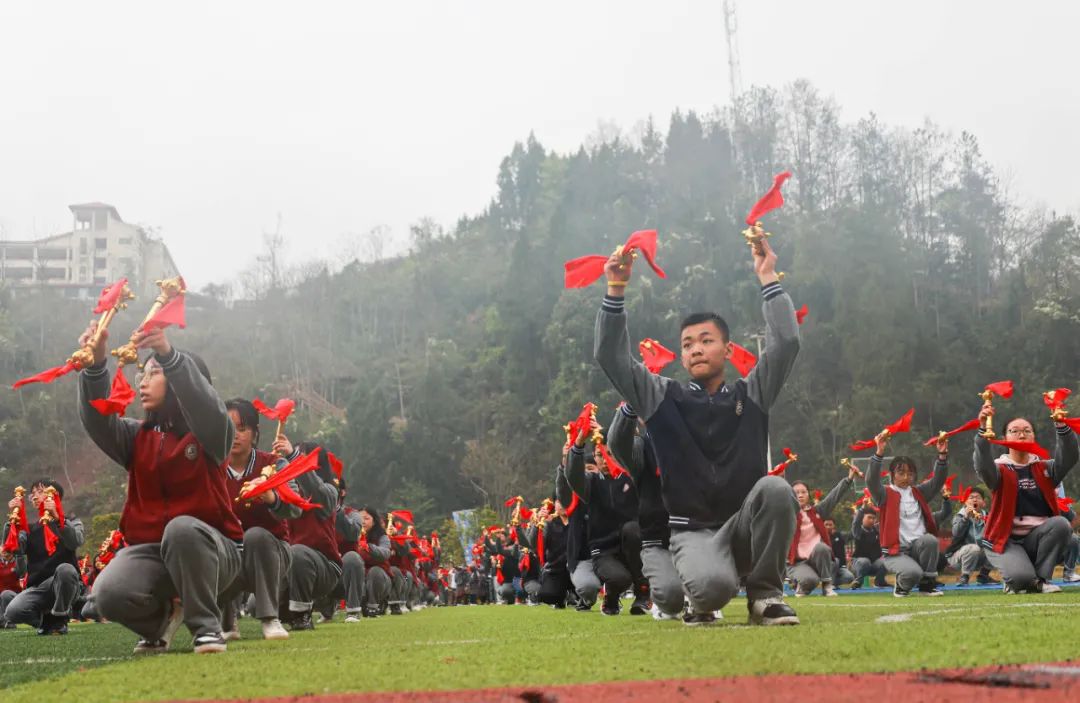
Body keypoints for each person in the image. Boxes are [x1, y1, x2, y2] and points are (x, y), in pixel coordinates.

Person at [594, 237, 800, 626]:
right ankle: (694, 590)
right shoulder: (661, 396)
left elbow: (787, 343)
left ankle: (766, 596)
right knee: (710, 592)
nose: (696, 350)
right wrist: (616, 289)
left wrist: (768, 276)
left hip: (743, 525)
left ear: (727, 349)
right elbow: (612, 357)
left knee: (776, 489)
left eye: (707, 341)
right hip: (692, 533)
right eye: (687, 344)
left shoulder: (752, 394)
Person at [79, 321, 242, 654]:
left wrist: (169, 356)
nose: (143, 382)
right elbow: (97, 420)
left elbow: (208, 408)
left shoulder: (211, 436)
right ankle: (161, 622)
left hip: (213, 551)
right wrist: (95, 367)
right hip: (154, 553)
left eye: (154, 374)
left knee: (182, 530)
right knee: (106, 594)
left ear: (180, 381)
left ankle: (206, 628)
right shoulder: (136, 437)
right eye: (143, 375)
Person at [973, 408, 1077, 594]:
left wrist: (1061, 425)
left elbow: (1069, 457)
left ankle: (1041, 580)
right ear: (1005, 437)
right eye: (1015, 431)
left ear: (1034, 437)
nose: (1022, 434)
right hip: (1005, 540)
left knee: (1061, 524)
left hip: (1037, 539)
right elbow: (983, 466)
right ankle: (1018, 579)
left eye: (1027, 431)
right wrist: (982, 429)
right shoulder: (999, 470)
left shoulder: (1045, 468)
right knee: (1021, 578)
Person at [221, 398, 297, 641]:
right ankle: (226, 619)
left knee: (254, 535)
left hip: (272, 553)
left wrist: (272, 496)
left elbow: (296, 509)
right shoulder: (212, 468)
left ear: (254, 434)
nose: (235, 436)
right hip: (231, 555)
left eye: (242, 429)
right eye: (229, 428)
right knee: (215, 541)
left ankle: (269, 618)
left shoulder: (273, 464)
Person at [607, 403, 685, 620]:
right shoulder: (641, 446)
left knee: (712, 592)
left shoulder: (690, 436)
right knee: (670, 598)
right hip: (658, 536)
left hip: (693, 530)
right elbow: (618, 445)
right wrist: (631, 404)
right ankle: (661, 594)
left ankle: (704, 591)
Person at [866, 432, 949, 597]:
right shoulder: (884, 494)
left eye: (910, 474)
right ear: (892, 475)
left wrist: (942, 455)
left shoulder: (918, 492)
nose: (906, 477)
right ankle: (902, 586)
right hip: (896, 552)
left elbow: (938, 481)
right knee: (913, 573)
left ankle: (927, 586)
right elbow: (871, 480)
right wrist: (879, 452)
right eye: (901, 473)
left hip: (918, 548)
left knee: (930, 540)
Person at [2, 480, 84, 634]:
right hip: (39, 587)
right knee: (12, 612)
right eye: (32, 493)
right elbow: (13, 549)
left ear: (54, 496)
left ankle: (60, 618)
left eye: (39, 491)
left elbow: (75, 542)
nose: (34, 496)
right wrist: (12, 521)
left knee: (66, 570)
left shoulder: (72, 521)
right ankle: (46, 622)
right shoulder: (30, 529)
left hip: (65, 582)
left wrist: (59, 520)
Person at [787, 468, 857, 597]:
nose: (800, 495)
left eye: (803, 492)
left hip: (817, 559)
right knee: (810, 581)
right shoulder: (786, 515)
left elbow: (833, 498)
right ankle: (802, 585)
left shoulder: (817, 511)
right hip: (797, 562)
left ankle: (827, 586)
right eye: (796, 493)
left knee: (821, 547)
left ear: (809, 495)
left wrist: (848, 479)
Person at [945, 486, 994, 586]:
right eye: (971, 497)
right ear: (966, 502)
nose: (974, 499)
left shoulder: (988, 517)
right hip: (958, 557)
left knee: (996, 545)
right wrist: (966, 518)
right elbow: (956, 534)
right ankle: (964, 577)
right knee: (973, 548)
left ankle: (984, 576)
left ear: (983, 503)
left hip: (979, 556)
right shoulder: (960, 516)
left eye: (978, 497)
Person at [357, 507, 393, 616]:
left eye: (366, 518)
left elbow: (385, 553)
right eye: (359, 518)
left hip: (380, 578)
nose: (362, 521)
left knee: (375, 572)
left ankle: (374, 606)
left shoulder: (382, 536)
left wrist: (369, 547)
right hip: (360, 576)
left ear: (374, 521)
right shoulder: (351, 535)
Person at [849, 507, 887, 588]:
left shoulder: (876, 530)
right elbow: (855, 523)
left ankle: (879, 582)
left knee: (887, 560)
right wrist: (862, 509)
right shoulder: (857, 531)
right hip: (858, 563)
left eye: (873, 518)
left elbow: (886, 520)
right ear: (862, 518)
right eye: (869, 517)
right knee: (865, 561)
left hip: (873, 564)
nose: (871, 520)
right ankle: (858, 582)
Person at [823, 519, 855, 587]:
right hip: (824, 567)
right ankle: (830, 584)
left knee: (850, 577)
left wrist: (856, 520)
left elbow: (851, 534)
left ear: (834, 526)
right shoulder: (819, 537)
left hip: (839, 567)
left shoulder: (840, 535)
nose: (828, 527)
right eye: (826, 525)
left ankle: (831, 582)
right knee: (835, 560)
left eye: (830, 525)